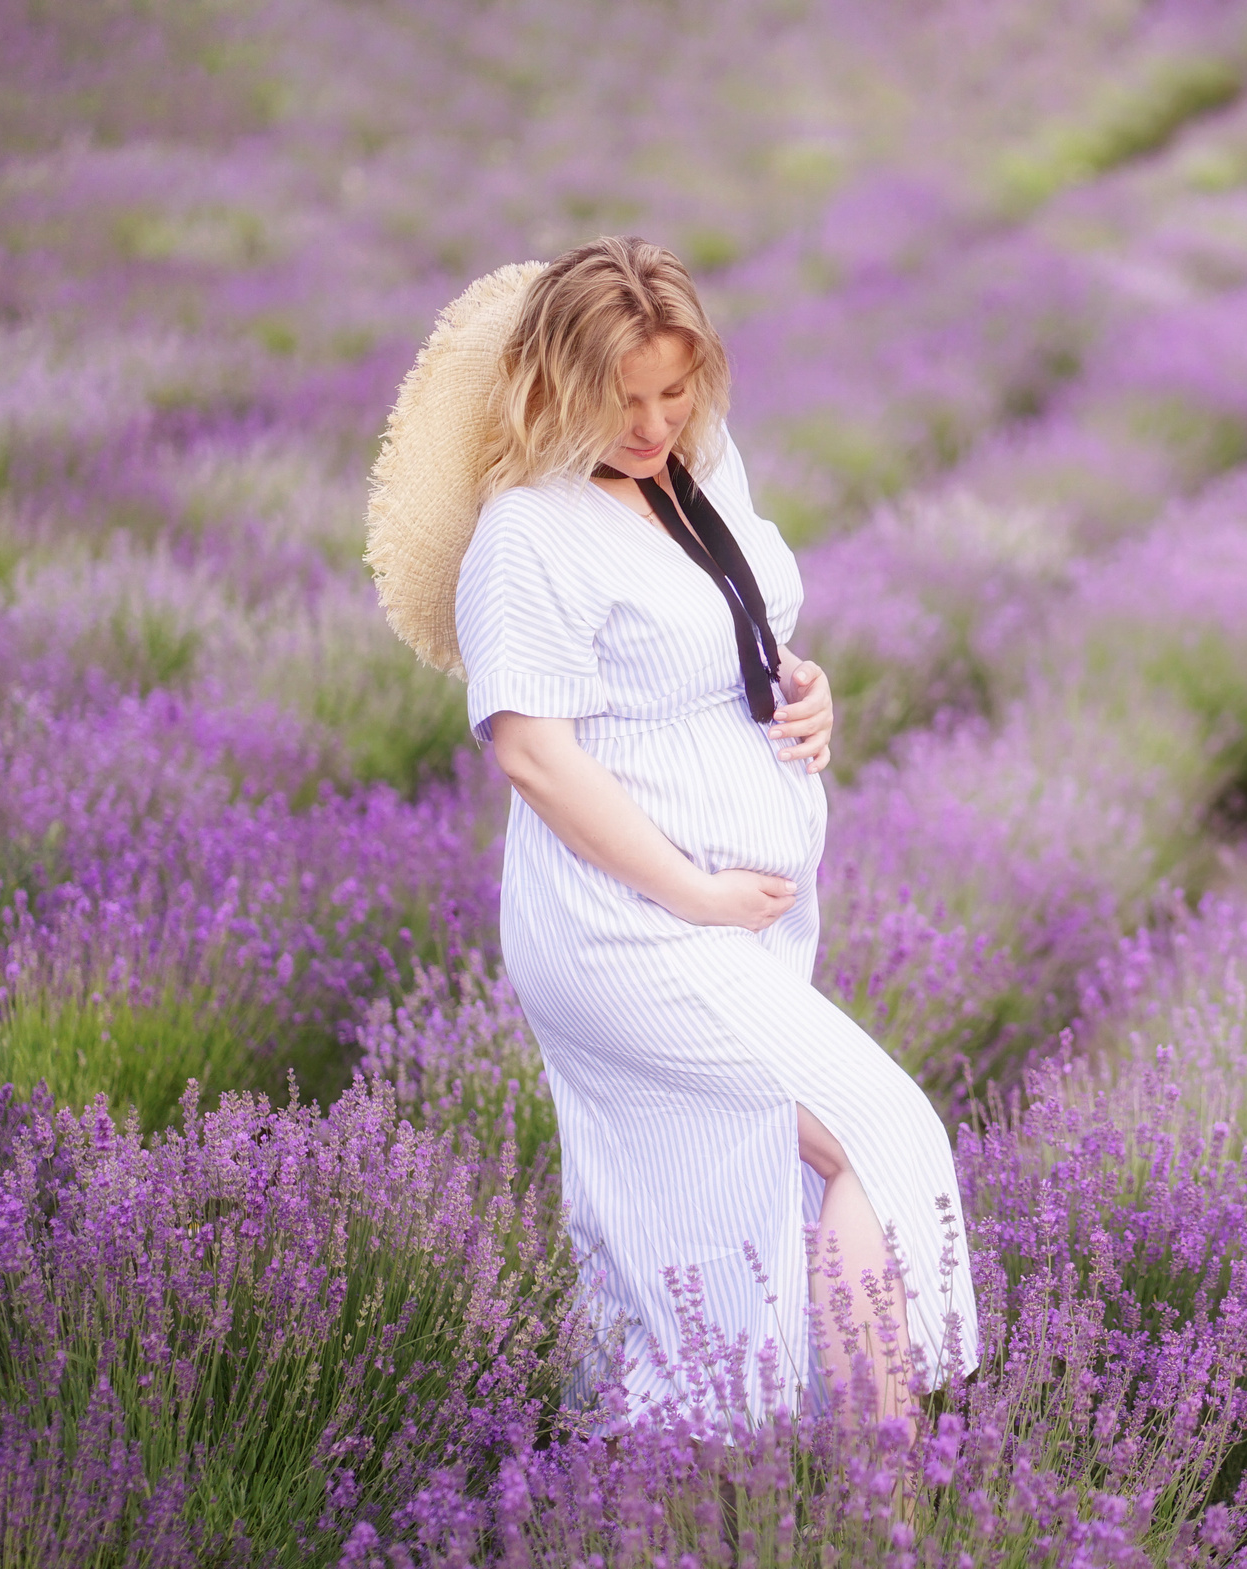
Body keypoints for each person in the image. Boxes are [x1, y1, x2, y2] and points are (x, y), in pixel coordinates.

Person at [436, 236, 978, 1424]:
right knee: (876, 1142)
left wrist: (805, 685)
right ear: (552, 384)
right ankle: (880, 1496)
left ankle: (696, 1474)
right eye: (617, 398)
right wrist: (693, 893)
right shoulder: (527, 534)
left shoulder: (698, 469)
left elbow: (724, 630)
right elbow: (532, 752)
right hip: (629, 925)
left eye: (673, 390)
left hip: (732, 919)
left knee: (718, 1197)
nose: (650, 421)